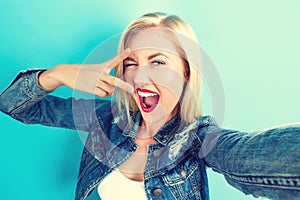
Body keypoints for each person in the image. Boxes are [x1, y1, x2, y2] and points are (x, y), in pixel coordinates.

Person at [0, 12, 299, 200]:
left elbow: (257, 156)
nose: (139, 75)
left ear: (185, 71)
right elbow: (12, 104)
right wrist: (60, 74)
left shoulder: (200, 137)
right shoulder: (104, 120)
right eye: (130, 63)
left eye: (157, 62)